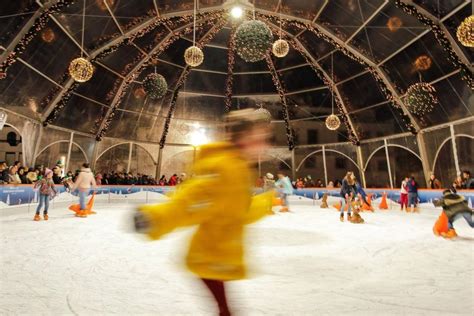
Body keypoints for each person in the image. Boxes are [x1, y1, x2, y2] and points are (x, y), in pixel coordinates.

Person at [132, 109, 274, 316]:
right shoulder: (223, 168)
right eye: (259, 137)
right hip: (210, 253)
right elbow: (191, 200)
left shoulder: (240, 168)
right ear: (243, 138)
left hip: (224, 252)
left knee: (225, 309)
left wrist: (265, 203)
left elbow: (239, 210)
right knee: (225, 310)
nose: (264, 144)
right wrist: (156, 217)